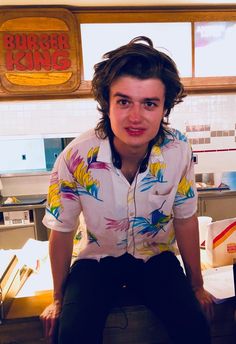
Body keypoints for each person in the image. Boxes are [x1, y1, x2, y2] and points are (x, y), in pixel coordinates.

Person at [40, 36, 214, 344]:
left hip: (156, 257)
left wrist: (197, 285)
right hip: (96, 261)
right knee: (72, 336)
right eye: (123, 101)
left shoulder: (178, 150)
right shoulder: (76, 156)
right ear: (106, 103)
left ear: (164, 108)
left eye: (149, 104)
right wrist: (56, 297)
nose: (136, 117)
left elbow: (185, 218)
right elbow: (62, 230)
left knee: (195, 330)